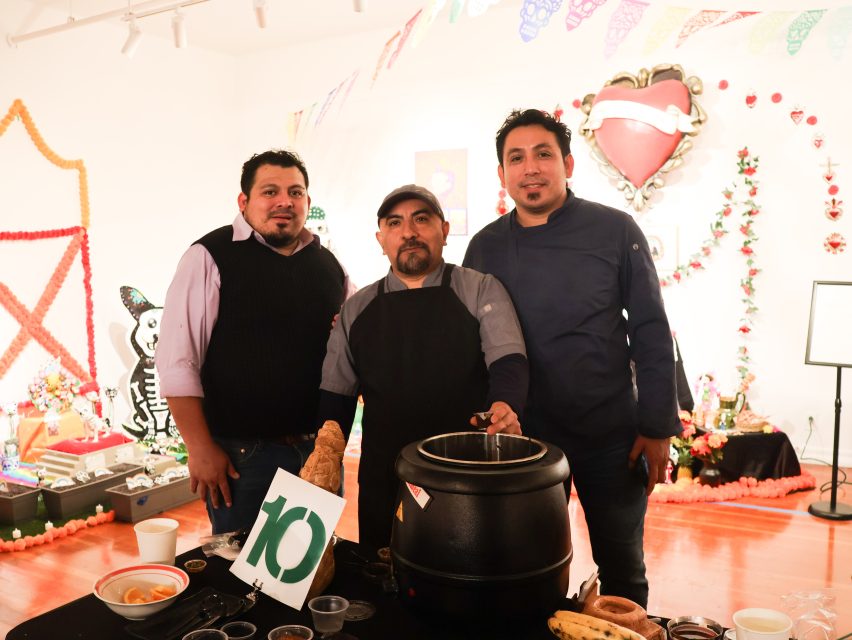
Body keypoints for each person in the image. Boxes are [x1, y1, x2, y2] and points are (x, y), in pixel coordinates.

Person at [462, 109, 681, 608]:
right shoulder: (485, 247)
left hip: (611, 435)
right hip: (524, 441)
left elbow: (650, 331)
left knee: (622, 564)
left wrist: (657, 426)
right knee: (529, 561)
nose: (530, 168)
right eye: (516, 158)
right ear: (502, 174)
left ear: (568, 163)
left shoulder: (614, 230)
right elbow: (467, 337)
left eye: (543, 154)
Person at [318, 184, 529, 549]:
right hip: (384, 473)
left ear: (444, 231)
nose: (409, 232)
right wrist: (322, 457)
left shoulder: (479, 288)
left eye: (422, 219)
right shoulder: (357, 309)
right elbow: (336, 394)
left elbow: (508, 358)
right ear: (381, 239)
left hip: (467, 471)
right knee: (381, 575)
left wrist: (504, 407)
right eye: (395, 223)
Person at [156, 149, 349, 534]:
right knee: (240, 579)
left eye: (296, 192)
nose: (284, 202)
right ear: (244, 201)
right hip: (243, 458)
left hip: (317, 453)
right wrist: (198, 447)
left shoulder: (328, 265)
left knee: (311, 574)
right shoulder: (209, 256)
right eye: (270, 191)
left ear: (307, 202)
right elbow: (178, 363)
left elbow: (349, 338)